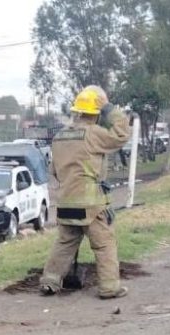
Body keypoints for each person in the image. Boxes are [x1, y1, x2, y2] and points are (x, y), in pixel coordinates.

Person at [39, 85, 132, 299]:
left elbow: (53, 170)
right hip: (90, 204)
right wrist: (110, 109)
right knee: (104, 244)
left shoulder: (60, 137)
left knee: (65, 242)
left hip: (65, 202)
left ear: (78, 111)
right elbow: (121, 134)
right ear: (95, 113)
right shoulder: (93, 134)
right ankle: (109, 288)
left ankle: (50, 281)